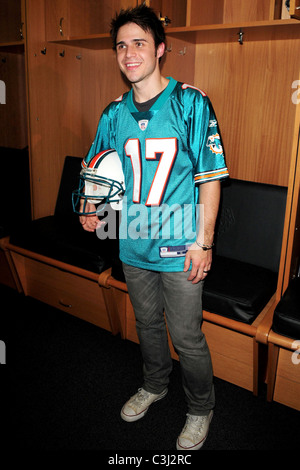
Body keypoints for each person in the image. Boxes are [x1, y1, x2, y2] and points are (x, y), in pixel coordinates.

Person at [79, 4, 229, 450]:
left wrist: (204, 242)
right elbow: (98, 172)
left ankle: (201, 407)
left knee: (186, 334)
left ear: (161, 49)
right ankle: (155, 384)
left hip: (182, 241)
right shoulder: (113, 113)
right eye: (121, 45)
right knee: (145, 323)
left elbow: (211, 178)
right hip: (134, 239)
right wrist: (91, 209)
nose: (129, 53)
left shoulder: (190, 102)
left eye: (139, 43)